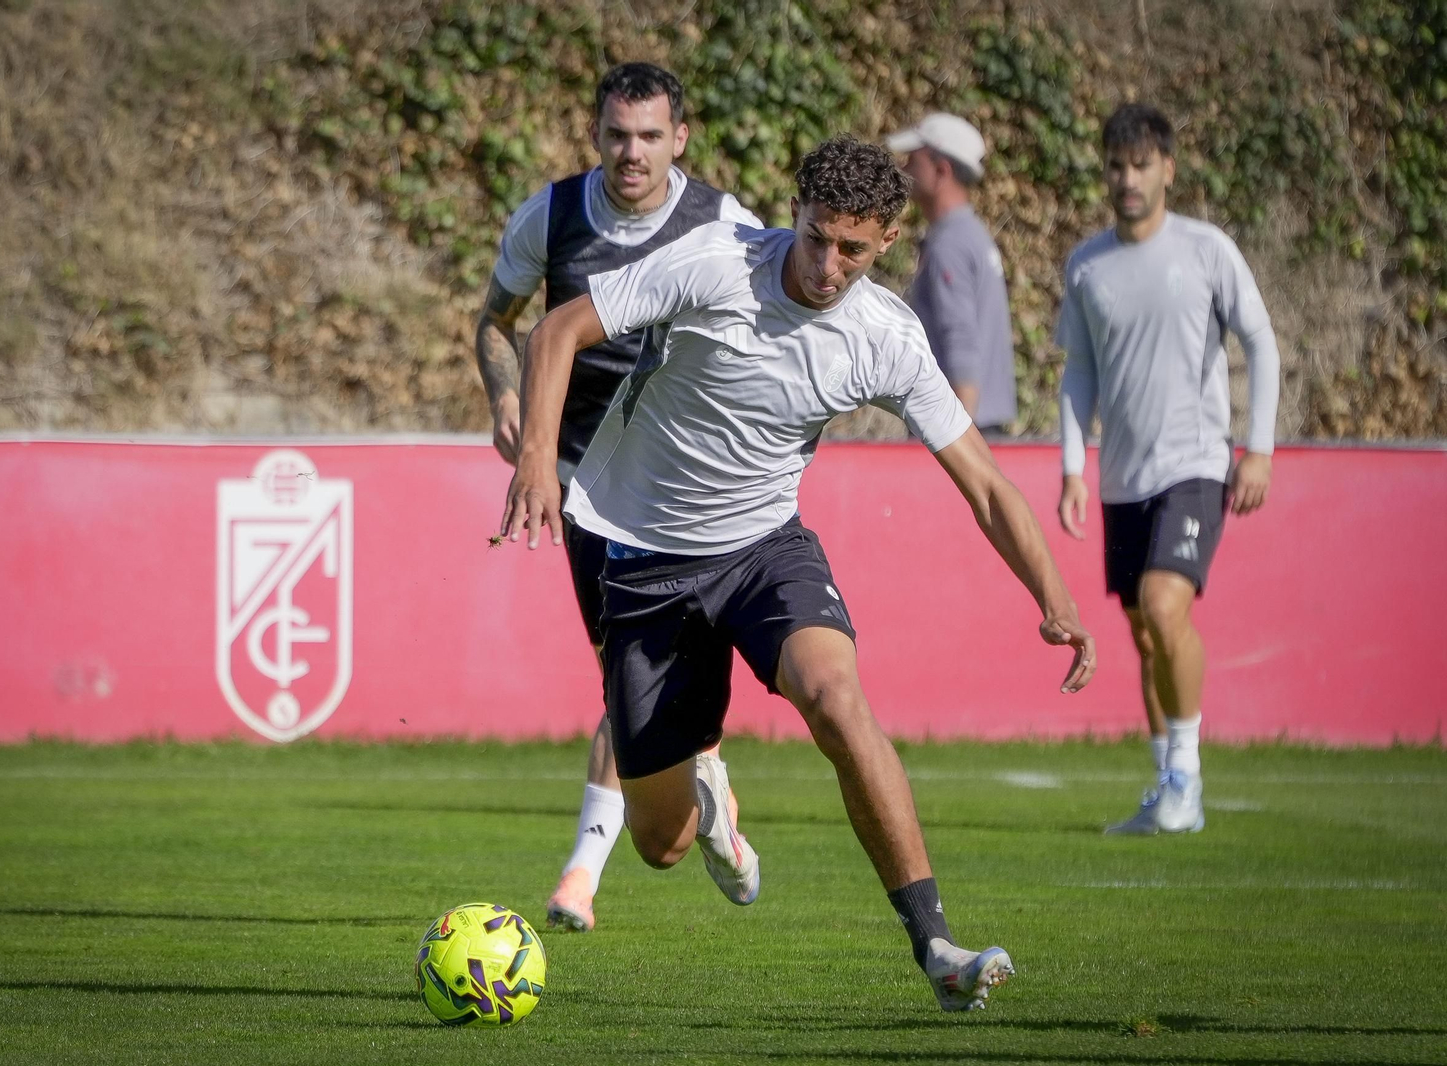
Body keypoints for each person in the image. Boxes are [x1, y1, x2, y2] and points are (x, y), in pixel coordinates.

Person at [501, 135, 1096, 1012]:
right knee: (662, 844)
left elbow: (985, 483)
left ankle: (934, 941)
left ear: (887, 240)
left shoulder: (884, 337)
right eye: (816, 236)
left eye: (851, 248)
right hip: (646, 560)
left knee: (838, 699)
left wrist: (1053, 595)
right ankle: (711, 792)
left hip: (763, 552)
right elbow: (558, 330)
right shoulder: (713, 263)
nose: (826, 263)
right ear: (796, 214)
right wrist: (537, 462)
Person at [473, 61, 764, 932]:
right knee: (635, 681)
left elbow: (766, 338)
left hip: (684, 485)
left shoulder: (726, 226)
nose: (631, 154)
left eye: (649, 137)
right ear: (596, 134)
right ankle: (705, 784)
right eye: (616, 136)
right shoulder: (553, 216)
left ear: (680, 138)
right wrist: (507, 401)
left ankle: (580, 876)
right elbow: (496, 319)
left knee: (635, 675)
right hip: (581, 487)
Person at [1055, 103, 1280, 835]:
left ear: (1168, 171)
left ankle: (1188, 777)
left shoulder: (1206, 249)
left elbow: (1262, 343)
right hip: (1123, 477)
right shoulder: (1087, 264)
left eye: (1141, 164)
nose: (1128, 178)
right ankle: (1167, 790)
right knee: (1144, 634)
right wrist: (1073, 468)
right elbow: (1078, 371)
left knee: (1162, 604)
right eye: (1116, 165)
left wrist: (1260, 448)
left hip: (1196, 463)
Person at [887, 113, 1017, 436]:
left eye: (912, 161)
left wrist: (961, 441)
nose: (904, 169)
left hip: (960, 430)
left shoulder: (950, 243)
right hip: (979, 427)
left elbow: (960, 338)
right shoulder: (970, 234)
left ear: (941, 170)